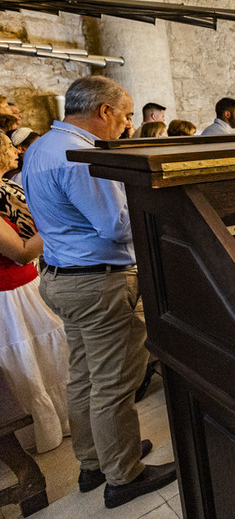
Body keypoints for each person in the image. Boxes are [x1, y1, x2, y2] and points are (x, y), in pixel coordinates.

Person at [22, 75, 176, 508]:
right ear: (104, 111)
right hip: (98, 281)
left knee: (85, 377)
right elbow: (116, 226)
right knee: (114, 382)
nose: (128, 125)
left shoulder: (40, 148)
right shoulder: (82, 156)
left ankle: (94, 462)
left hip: (59, 276)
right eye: (126, 116)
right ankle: (123, 475)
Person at [0, 133, 70, 453]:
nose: (15, 151)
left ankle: (66, 421)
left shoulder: (7, 190)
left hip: (26, 286)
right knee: (31, 363)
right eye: (7, 146)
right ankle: (45, 429)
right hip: (9, 298)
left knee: (51, 358)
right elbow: (22, 252)